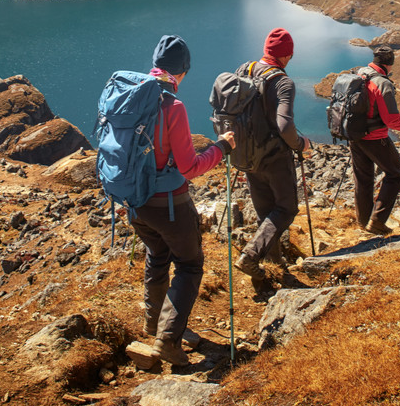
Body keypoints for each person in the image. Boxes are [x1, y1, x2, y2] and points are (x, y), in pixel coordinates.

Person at [130, 35, 235, 366]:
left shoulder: (129, 94)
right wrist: (221, 148)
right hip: (167, 204)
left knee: (157, 254)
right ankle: (168, 340)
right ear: (182, 72)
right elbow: (189, 167)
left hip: (134, 202)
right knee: (189, 264)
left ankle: (152, 321)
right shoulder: (172, 106)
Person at [232, 28, 311, 297]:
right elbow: (285, 125)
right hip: (274, 158)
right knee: (286, 209)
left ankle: (271, 270)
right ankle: (251, 257)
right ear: (287, 55)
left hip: (247, 156)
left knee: (266, 213)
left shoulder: (245, 69)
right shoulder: (283, 82)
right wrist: (301, 145)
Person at [350, 45, 400, 235]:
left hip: (355, 136)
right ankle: (377, 222)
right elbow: (392, 120)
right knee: (396, 174)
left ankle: (363, 221)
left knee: (363, 179)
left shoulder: (361, 74)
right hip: (375, 138)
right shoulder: (382, 84)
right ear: (389, 64)